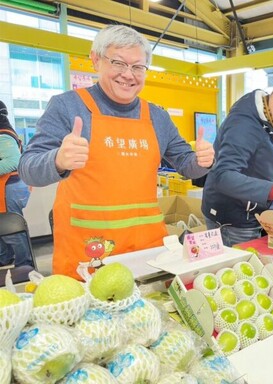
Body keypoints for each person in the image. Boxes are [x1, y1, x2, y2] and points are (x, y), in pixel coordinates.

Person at [18, 25, 214, 279]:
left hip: (147, 252)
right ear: (96, 60)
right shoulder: (67, 106)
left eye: (138, 67)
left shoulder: (157, 116)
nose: (128, 75)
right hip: (90, 254)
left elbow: (187, 165)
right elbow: (28, 169)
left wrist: (204, 160)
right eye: (118, 63)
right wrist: (58, 160)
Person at [201, 74, 273, 247]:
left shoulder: (272, 121)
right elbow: (223, 176)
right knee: (240, 271)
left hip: (254, 212)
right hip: (233, 219)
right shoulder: (244, 125)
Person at [0, 101, 33, 268]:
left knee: (11, 227)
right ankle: (4, 258)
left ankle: (24, 264)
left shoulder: (3, 135)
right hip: (6, 188)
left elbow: (13, 161)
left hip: (9, 188)